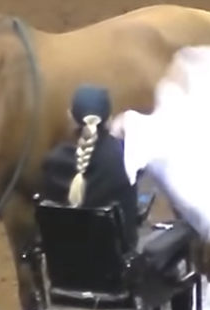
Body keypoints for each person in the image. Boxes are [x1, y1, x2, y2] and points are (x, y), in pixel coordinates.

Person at [41, 84, 139, 246]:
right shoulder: (123, 158)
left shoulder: (52, 161)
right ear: (109, 119)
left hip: (64, 267)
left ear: (70, 117)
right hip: (116, 268)